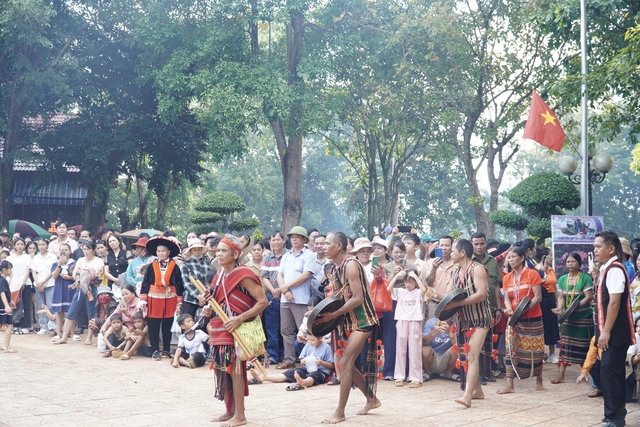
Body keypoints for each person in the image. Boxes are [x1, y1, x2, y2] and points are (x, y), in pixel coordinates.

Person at [319, 231, 380, 425]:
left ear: (339, 246)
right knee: (347, 365)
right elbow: (338, 298)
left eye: (327, 243)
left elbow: (358, 298)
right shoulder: (336, 269)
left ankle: (340, 412)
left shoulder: (351, 265)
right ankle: (371, 399)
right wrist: (317, 313)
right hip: (349, 322)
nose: (323, 246)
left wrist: (333, 315)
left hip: (364, 321)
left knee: (345, 364)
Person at [206, 234, 268, 427]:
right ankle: (229, 410)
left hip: (237, 328)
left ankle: (240, 415)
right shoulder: (218, 275)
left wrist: (239, 318)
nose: (219, 254)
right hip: (220, 327)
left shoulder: (243, 274)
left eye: (224, 251)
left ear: (235, 254)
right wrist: (208, 308)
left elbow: (263, 301)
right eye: (217, 251)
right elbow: (216, 302)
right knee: (222, 369)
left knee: (236, 370)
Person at [443, 239, 491, 408]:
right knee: (465, 357)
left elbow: (481, 295)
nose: (450, 252)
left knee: (471, 356)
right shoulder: (455, 272)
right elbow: (448, 297)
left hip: (480, 319)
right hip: (463, 320)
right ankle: (477, 391)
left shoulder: (477, 269)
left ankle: (467, 396)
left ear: (462, 252)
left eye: (454, 250)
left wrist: (456, 305)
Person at [593, 231, 634, 427]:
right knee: (608, 372)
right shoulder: (606, 269)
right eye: (594, 247)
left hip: (616, 331)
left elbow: (615, 303)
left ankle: (616, 417)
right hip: (609, 330)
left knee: (611, 372)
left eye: (598, 247)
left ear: (611, 249)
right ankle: (613, 413)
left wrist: (606, 331)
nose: (595, 250)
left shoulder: (615, 270)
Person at [498, 246, 545, 394]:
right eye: (509, 258)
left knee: (535, 350)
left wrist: (524, 309)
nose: (510, 260)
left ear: (522, 258)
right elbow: (506, 298)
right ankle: (510, 384)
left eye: (513, 257)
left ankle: (539, 379)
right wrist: (509, 309)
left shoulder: (532, 274)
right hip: (514, 319)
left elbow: (538, 297)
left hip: (533, 318)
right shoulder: (507, 277)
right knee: (511, 349)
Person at [138, 236, 184, 360]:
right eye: (159, 251)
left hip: (170, 298)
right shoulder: (151, 266)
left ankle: (167, 349)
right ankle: (155, 350)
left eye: (163, 251)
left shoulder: (175, 266)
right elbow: (146, 282)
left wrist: (179, 300)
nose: (161, 253)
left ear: (168, 252)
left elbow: (179, 283)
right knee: (153, 325)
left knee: (167, 325)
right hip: (154, 297)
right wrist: (143, 299)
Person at [550, 252, 594, 384]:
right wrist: (561, 308)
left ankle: (591, 377)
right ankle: (561, 376)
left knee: (586, 347)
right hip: (568, 318)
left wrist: (576, 307)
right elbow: (561, 297)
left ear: (579, 264)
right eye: (568, 262)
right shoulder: (563, 279)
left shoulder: (585, 278)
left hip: (584, 317)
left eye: (573, 261)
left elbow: (588, 296)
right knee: (565, 347)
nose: (570, 264)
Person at [276, 226, 316, 369]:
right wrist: (285, 291)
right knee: (286, 331)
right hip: (285, 299)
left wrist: (286, 287)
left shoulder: (309, 255)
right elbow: (279, 275)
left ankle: (306, 359)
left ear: (304, 239)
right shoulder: (286, 255)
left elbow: (306, 275)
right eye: (292, 237)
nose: (294, 239)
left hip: (301, 298)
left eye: (297, 237)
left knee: (304, 330)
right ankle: (289, 359)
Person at [55, 240, 105, 345]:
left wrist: (83, 272)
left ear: (93, 250)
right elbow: (74, 274)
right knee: (71, 312)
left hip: (92, 288)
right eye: (84, 249)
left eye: (88, 249)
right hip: (79, 288)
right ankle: (64, 337)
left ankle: (89, 338)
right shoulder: (81, 260)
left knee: (91, 313)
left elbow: (94, 274)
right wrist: (84, 273)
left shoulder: (98, 260)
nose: (86, 251)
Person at [470, 232, 503, 383]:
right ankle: (476, 376)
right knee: (475, 343)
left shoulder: (492, 262)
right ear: (471, 245)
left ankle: (487, 372)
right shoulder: (468, 261)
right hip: (473, 310)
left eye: (481, 243)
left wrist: (498, 308)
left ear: (486, 244)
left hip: (489, 309)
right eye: (475, 244)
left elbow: (496, 286)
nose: (478, 246)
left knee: (489, 342)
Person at [250, 333, 334, 390]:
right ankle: (264, 378)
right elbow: (301, 360)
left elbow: (331, 365)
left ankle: (303, 382)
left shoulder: (326, 347)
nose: (310, 342)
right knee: (289, 373)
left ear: (320, 338)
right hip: (306, 368)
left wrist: (321, 363)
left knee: (313, 377)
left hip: (321, 371)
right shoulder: (308, 345)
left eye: (313, 340)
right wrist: (304, 361)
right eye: (308, 339)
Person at [387, 268, 426, 388]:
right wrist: (397, 275)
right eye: (406, 281)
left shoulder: (418, 292)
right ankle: (399, 376)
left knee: (415, 350)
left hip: (414, 321)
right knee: (400, 349)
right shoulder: (401, 291)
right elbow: (388, 288)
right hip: (402, 320)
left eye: (411, 282)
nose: (408, 285)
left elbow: (424, 290)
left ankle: (415, 378)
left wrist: (416, 276)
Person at [260, 230, 286, 365]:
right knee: (272, 328)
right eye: (273, 240)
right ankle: (274, 355)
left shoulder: (288, 256)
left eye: (278, 239)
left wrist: (281, 290)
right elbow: (264, 277)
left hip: (286, 296)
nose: (275, 242)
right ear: (270, 242)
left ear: (283, 241)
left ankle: (286, 355)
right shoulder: (267, 257)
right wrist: (273, 291)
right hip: (271, 297)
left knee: (286, 328)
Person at [423, 236, 456, 319]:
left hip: (452, 303)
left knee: (451, 330)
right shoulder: (430, 263)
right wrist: (434, 268)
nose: (444, 248)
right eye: (442, 245)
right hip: (434, 303)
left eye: (447, 245)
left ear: (452, 246)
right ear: (438, 246)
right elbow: (429, 283)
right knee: (433, 328)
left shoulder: (457, 263)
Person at [180, 238, 212, 318]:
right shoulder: (185, 265)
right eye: (194, 250)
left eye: (199, 249)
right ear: (190, 252)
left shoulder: (208, 265)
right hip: (190, 299)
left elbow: (210, 282)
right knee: (187, 322)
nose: (197, 252)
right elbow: (186, 283)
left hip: (206, 298)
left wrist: (204, 296)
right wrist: (198, 296)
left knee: (203, 323)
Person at [31, 238, 57, 334]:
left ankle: (53, 325)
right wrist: (37, 282)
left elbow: (52, 270)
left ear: (47, 245)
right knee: (40, 305)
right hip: (38, 284)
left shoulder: (52, 257)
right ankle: (43, 326)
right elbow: (33, 271)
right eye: (40, 245)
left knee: (50, 305)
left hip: (50, 283)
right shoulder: (36, 257)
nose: (41, 246)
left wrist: (42, 282)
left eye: (43, 244)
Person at [50, 243, 75, 340]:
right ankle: (59, 334)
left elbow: (76, 276)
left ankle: (73, 333)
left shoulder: (74, 263)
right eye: (62, 250)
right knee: (59, 312)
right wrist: (59, 265)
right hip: (59, 288)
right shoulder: (55, 264)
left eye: (66, 250)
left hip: (70, 288)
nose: (64, 252)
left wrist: (69, 277)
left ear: (70, 251)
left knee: (72, 311)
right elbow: (54, 276)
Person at [7, 238, 32, 334]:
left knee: (25, 304)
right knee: (15, 304)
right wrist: (14, 282)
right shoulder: (10, 258)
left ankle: (26, 326)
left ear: (24, 246)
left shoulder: (27, 257)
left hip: (25, 283)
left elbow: (27, 270)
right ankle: (15, 325)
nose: (20, 246)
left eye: (22, 244)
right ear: (14, 245)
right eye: (18, 244)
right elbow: (9, 271)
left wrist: (23, 282)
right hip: (13, 284)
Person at [0, 260, 17, 352]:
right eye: (10, 268)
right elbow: (2, 293)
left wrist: (10, 301)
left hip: (3, 304)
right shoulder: (2, 281)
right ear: (4, 270)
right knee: (9, 324)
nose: (11, 270)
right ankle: (6, 346)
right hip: (2, 305)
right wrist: (7, 305)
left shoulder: (3, 280)